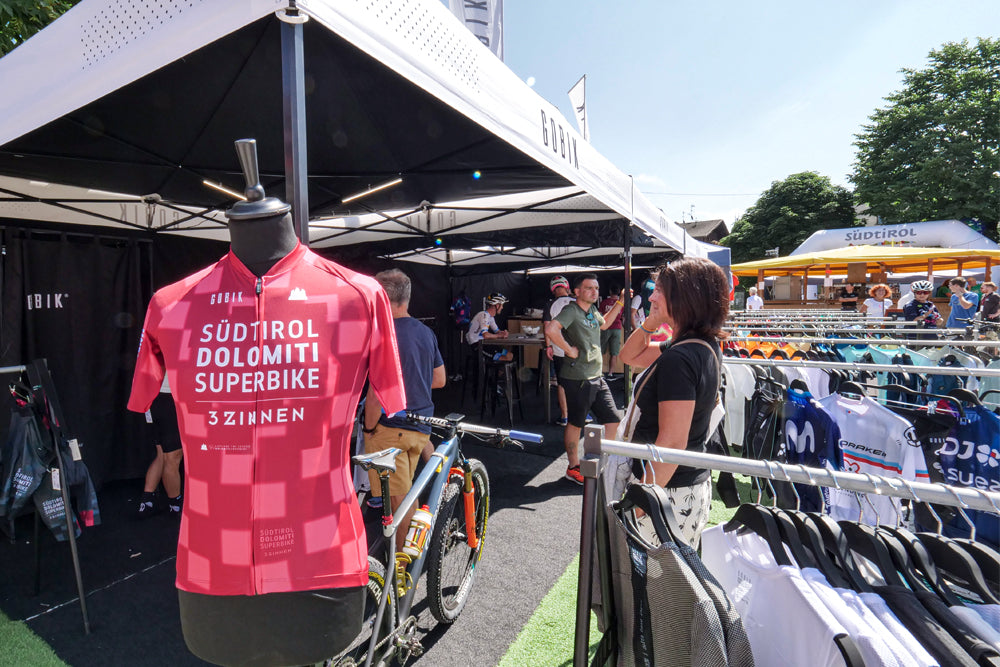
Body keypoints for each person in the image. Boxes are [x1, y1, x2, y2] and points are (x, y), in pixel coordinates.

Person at [127, 140, 406, 665]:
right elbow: (145, 393)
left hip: (322, 557)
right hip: (213, 564)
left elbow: (388, 399)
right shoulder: (171, 305)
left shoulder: (358, 296)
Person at [618, 257, 729, 549]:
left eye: (659, 291)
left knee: (652, 589)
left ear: (684, 297)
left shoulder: (680, 358)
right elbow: (629, 357)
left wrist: (639, 504)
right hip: (682, 488)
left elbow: (671, 442)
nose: (651, 296)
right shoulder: (699, 344)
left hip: (666, 493)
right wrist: (652, 321)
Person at [363, 269, 446, 549]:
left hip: (390, 429)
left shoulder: (381, 334)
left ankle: (402, 577)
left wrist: (369, 428)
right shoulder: (426, 332)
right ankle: (416, 553)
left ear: (381, 298)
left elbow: (375, 394)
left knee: (398, 507)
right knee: (407, 496)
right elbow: (439, 380)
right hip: (420, 430)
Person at [544, 274, 625, 485]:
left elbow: (605, 324)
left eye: (596, 288)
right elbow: (551, 329)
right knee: (576, 423)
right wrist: (569, 349)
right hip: (578, 377)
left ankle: (604, 462)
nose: (594, 291)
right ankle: (573, 467)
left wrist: (621, 303)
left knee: (613, 420)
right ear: (577, 292)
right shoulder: (571, 310)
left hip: (595, 376)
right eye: (589, 288)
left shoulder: (592, 310)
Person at [136, 380, 183, 517]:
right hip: (167, 397)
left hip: (153, 397)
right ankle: (175, 505)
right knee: (172, 457)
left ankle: (147, 501)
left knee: (162, 453)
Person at [543, 276, 573, 426]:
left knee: (562, 383)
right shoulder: (577, 302)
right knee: (581, 381)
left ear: (553, 290)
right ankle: (584, 413)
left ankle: (565, 416)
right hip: (578, 349)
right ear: (566, 287)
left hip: (559, 349)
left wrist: (548, 346)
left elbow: (547, 327)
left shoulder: (550, 304)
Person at [467, 292, 512, 361]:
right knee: (507, 357)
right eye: (502, 305)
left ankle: (501, 371)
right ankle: (500, 371)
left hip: (484, 344)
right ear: (497, 305)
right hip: (477, 345)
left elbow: (497, 331)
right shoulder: (484, 315)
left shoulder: (490, 317)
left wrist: (503, 333)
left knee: (510, 355)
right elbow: (485, 335)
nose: (502, 308)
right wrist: (500, 335)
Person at [598, 287, 625, 379]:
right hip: (617, 328)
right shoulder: (621, 303)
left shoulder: (604, 302)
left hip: (605, 328)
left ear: (610, 291)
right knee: (614, 352)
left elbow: (600, 315)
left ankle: (599, 372)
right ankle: (610, 373)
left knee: (600, 351)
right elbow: (624, 317)